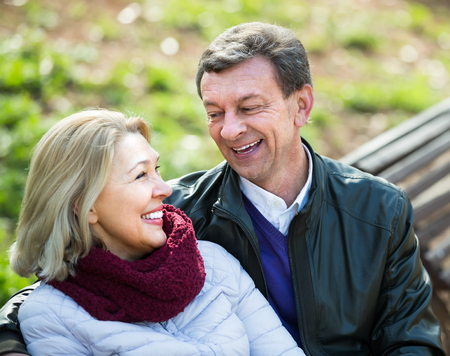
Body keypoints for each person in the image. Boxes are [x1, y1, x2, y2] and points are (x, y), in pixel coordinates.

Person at [0, 22, 445, 355]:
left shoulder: (378, 209)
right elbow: (73, 276)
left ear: (301, 105)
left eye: (249, 107)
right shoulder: (178, 216)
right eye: (214, 112)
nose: (230, 130)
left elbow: (411, 339)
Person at [4, 109, 304, 356]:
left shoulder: (213, 263)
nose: (165, 189)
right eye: (140, 175)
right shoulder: (51, 317)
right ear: (85, 205)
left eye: (157, 169)